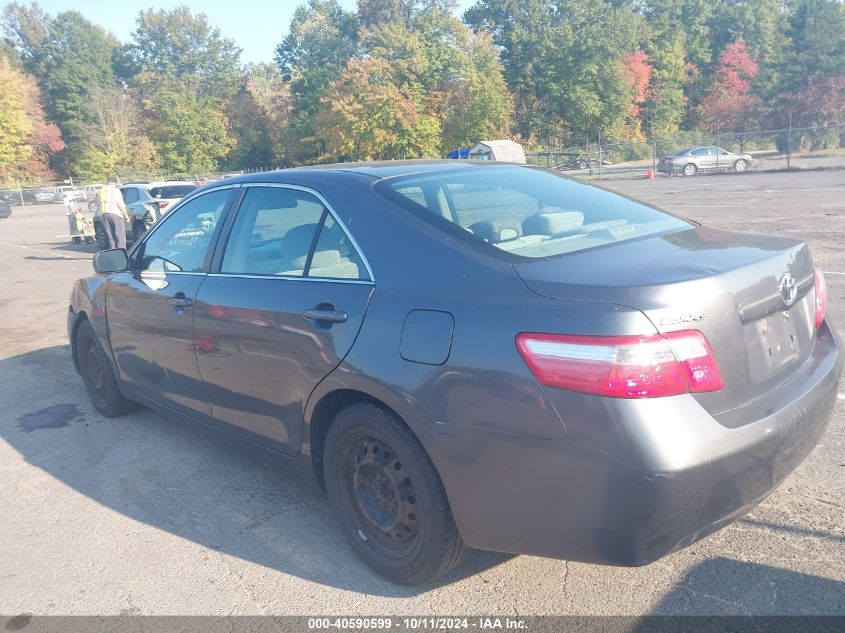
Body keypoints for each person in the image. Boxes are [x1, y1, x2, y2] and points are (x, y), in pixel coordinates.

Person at [97, 176, 130, 249]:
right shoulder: (115, 190)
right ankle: (121, 253)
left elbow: (98, 203)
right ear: (114, 182)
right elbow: (121, 204)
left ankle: (113, 252)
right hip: (115, 214)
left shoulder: (101, 191)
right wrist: (125, 215)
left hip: (104, 215)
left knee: (110, 237)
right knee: (120, 236)